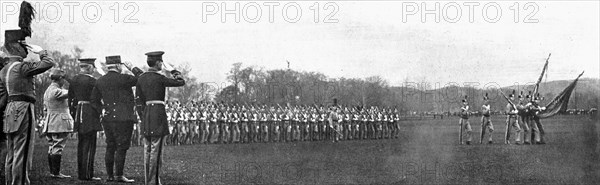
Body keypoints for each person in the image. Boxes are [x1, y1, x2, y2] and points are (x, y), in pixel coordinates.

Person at [1, 2, 55, 183]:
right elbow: (49, 63)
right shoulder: (22, 67)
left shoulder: (3, 70)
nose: (26, 48)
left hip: (9, 110)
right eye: (23, 45)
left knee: (11, 153)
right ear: (16, 47)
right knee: (23, 154)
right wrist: (42, 52)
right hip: (24, 109)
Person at [136, 51, 185, 185]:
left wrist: (143, 115)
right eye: (161, 63)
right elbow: (181, 82)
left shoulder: (141, 78)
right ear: (158, 63)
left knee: (147, 150)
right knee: (156, 151)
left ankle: (149, 180)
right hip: (158, 114)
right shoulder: (160, 78)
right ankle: (154, 182)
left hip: (147, 114)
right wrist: (174, 71)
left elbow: (139, 100)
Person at [91, 55, 143, 182]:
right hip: (124, 118)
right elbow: (143, 78)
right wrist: (132, 68)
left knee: (110, 146)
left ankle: (110, 175)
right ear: (119, 66)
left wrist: (102, 110)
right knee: (121, 147)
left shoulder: (100, 81)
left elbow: (93, 100)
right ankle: (119, 175)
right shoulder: (124, 78)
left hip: (108, 117)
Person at [68, 58, 103, 181]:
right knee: (90, 144)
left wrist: (74, 114)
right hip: (90, 112)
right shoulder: (93, 81)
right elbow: (98, 98)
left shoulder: (74, 80)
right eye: (92, 67)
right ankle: (88, 174)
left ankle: (81, 173)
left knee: (81, 144)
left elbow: (70, 99)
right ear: (89, 67)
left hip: (79, 112)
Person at [42, 69, 73, 178]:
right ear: (60, 79)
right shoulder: (56, 91)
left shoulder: (48, 90)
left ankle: (53, 172)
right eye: (63, 79)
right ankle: (56, 173)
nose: (64, 81)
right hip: (59, 122)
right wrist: (75, 84)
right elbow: (71, 92)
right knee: (57, 147)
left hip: (50, 122)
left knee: (52, 147)